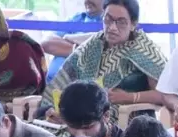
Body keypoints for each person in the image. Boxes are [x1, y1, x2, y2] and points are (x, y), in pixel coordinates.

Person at [41, 0, 169, 120]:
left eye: (121, 22)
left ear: (133, 24)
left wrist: (130, 97)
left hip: (126, 120)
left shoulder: (144, 49)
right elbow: (66, 76)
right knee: (47, 131)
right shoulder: (93, 44)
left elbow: (165, 94)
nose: (112, 27)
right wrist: (59, 109)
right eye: (108, 19)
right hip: (85, 113)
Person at [41, 0, 103, 80]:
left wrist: (66, 42)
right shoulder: (77, 19)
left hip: (80, 90)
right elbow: (46, 43)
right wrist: (81, 51)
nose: (87, 1)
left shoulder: (110, 27)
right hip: (49, 87)